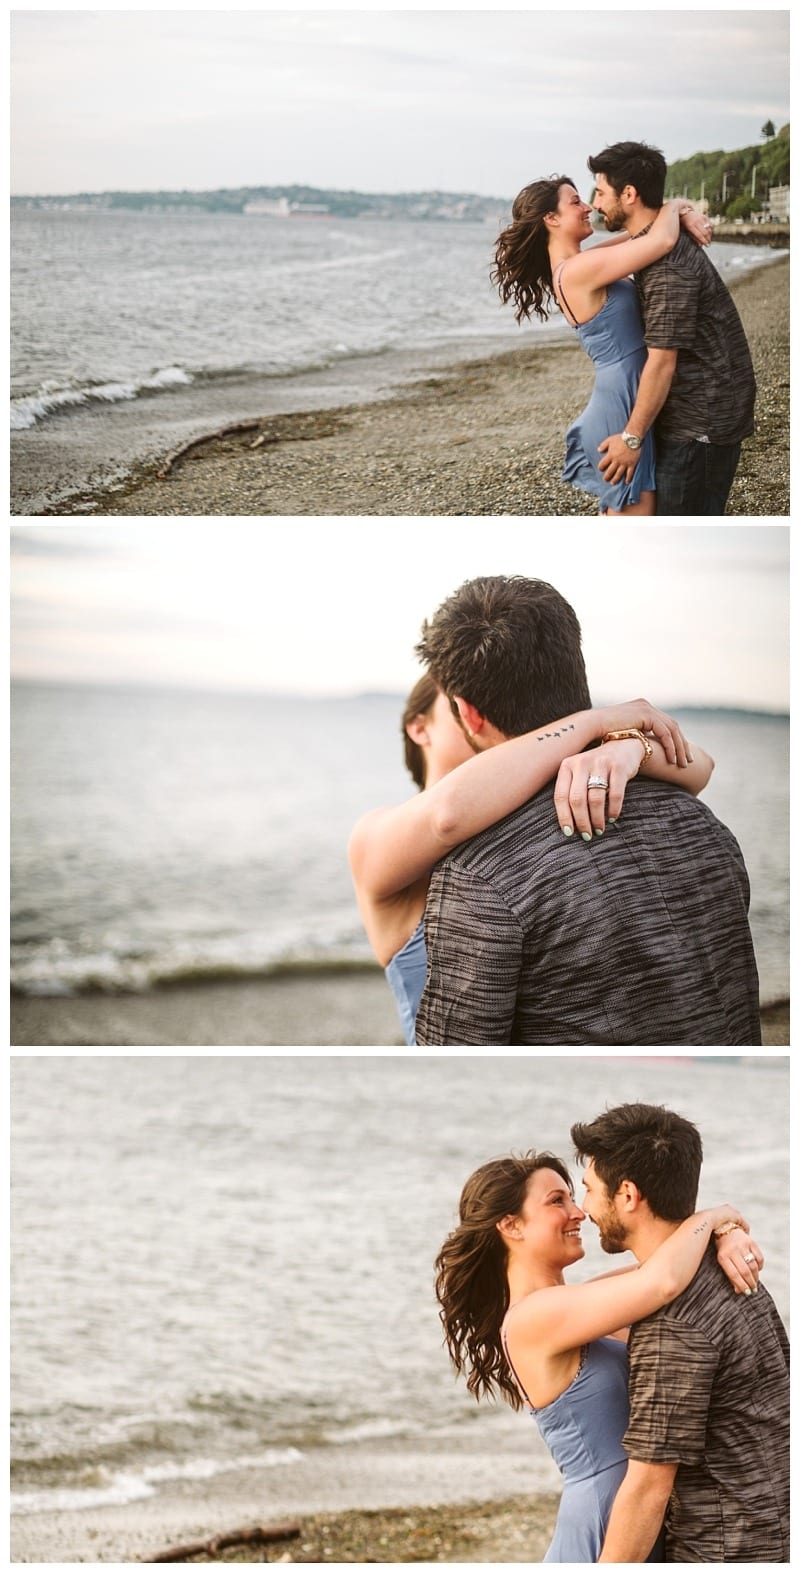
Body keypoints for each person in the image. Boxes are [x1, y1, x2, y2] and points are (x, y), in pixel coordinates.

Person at [415, 574, 762, 1046]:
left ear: (467, 712)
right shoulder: (702, 823)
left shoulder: (481, 870)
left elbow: (454, 1057)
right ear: (573, 666)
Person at [434, 1149, 762, 1563]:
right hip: (603, 1528)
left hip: (638, 1514)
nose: (579, 1212)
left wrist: (728, 1231)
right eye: (557, 1201)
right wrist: (715, 1216)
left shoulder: (575, 1305)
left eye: (574, 1196)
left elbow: (673, 1266)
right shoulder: (531, 1319)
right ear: (511, 1225)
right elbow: (662, 1281)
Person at [349, 674, 712, 1045]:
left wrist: (630, 750)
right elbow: (446, 815)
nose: (479, 715)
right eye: (458, 705)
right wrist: (596, 722)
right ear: (419, 728)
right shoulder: (375, 835)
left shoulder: (525, 811)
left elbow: (703, 767)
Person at [570, 1103, 789, 1562]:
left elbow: (649, 1485)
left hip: (726, 1550)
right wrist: (715, 1221)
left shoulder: (673, 1325)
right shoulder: (728, 1266)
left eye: (589, 1190)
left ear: (627, 1195)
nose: (584, 1208)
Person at [491, 175, 712, 514]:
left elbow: (649, 232)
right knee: (636, 523)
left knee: (627, 518)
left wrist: (684, 212)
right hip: (620, 410)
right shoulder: (578, 270)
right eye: (576, 202)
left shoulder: (580, 263)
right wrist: (674, 206)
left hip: (626, 398)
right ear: (551, 218)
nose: (589, 207)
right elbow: (662, 240)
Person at [588, 140, 756, 516]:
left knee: (682, 517)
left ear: (628, 194)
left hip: (701, 422)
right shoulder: (652, 244)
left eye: (600, 192)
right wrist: (678, 207)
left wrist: (631, 439)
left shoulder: (668, 268)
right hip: (693, 411)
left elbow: (662, 361)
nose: (595, 203)